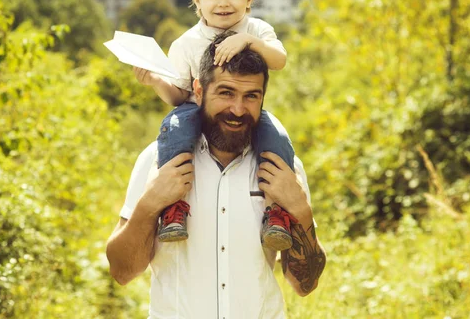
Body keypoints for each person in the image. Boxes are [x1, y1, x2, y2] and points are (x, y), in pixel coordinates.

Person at [107, 33, 326, 318]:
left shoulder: (283, 169)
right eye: (225, 93)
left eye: (251, 96)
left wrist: (300, 210)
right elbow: (122, 272)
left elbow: (304, 285)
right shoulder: (158, 160)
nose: (237, 109)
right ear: (198, 91)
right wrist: (150, 204)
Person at [133, 0, 296, 251]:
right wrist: (154, 80)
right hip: (195, 108)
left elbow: (280, 60)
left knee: (277, 137)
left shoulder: (256, 29)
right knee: (175, 129)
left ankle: (277, 213)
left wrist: (248, 41)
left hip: (245, 108)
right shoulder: (187, 43)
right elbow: (178, 95)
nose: (224, 3)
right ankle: (173, 208)